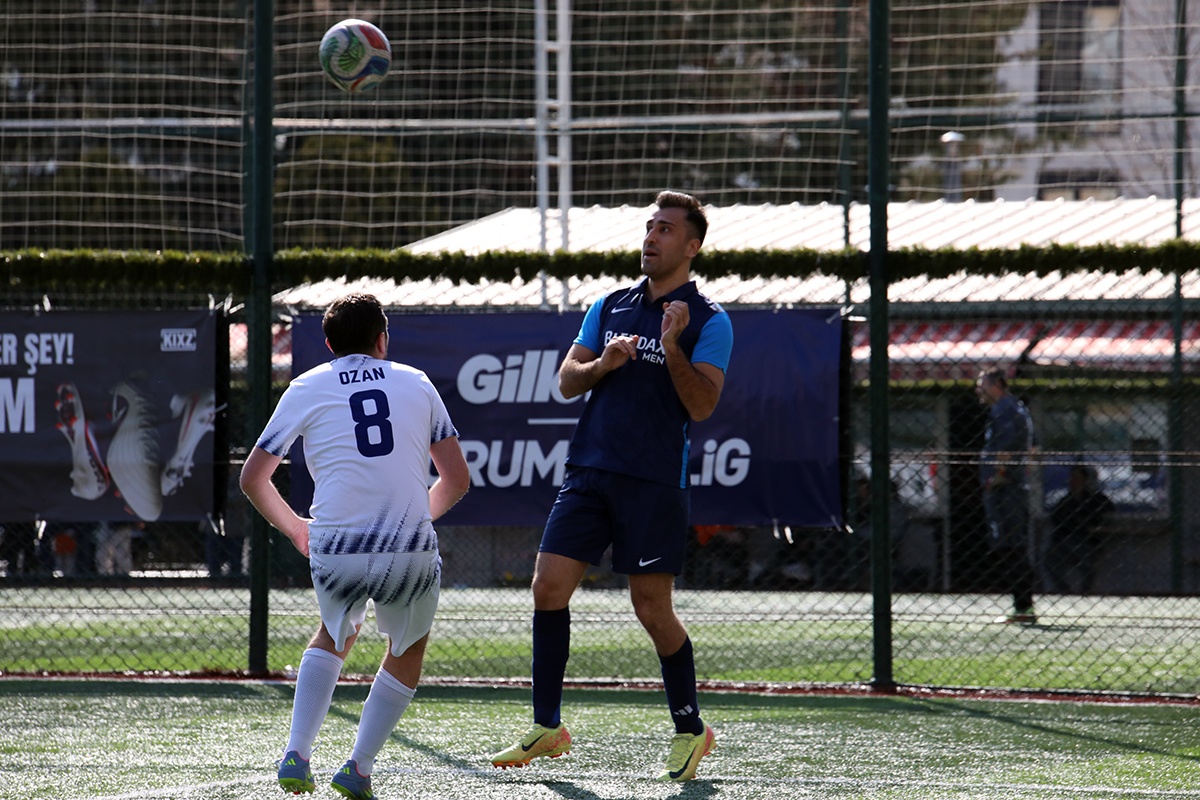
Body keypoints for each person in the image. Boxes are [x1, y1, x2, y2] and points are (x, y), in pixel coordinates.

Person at [488, 190, 733, 782]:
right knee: (548, 587)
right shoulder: (609, 304)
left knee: (651, 608)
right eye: (650, 226)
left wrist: (671, 347)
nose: (651, 237)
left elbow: (702, 405)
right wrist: (602, 365)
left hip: (653, 482)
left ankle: (691, 729)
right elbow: (567, 380)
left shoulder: (710, 320)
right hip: (588, 472)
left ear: (692, 246)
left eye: (666, 229)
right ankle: (547, 726)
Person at [240, 292, 470, 800]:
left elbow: (253, 478)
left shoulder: (305, 386)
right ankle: (358, 768)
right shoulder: (417, 382)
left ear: (329, 344)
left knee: (333, 634)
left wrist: (296, 528)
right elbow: (456, 480)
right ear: (382, 339)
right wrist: (413, 520)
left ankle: (296, 753)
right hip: (408, 547)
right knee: (406, 648)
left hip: (335, 543)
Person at [975, 367, 1037, 624]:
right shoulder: (1013, 408)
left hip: (1006, 488)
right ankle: (1022, 606)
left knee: (1011, 546)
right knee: (1012, 545)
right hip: (1010, 486)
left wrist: (998, 475)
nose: (978, 390)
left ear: (996, 385)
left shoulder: (1005, 410)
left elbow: (1007, 446)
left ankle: (1023, 606)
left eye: (982, 385)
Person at [1045, 464, 1114, 594]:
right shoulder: (1066, 501)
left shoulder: (1097, 500)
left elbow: (1103, 516)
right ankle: (1065, 591)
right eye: (1072, 478)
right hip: (1065, 540)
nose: (1074, 481)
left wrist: (1083, 522)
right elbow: (1056, 519)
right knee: (1049, 558)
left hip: (1087, 541)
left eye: (1078, 478)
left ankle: (1085, 591)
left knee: (1087, 560)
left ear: (1086, 480)